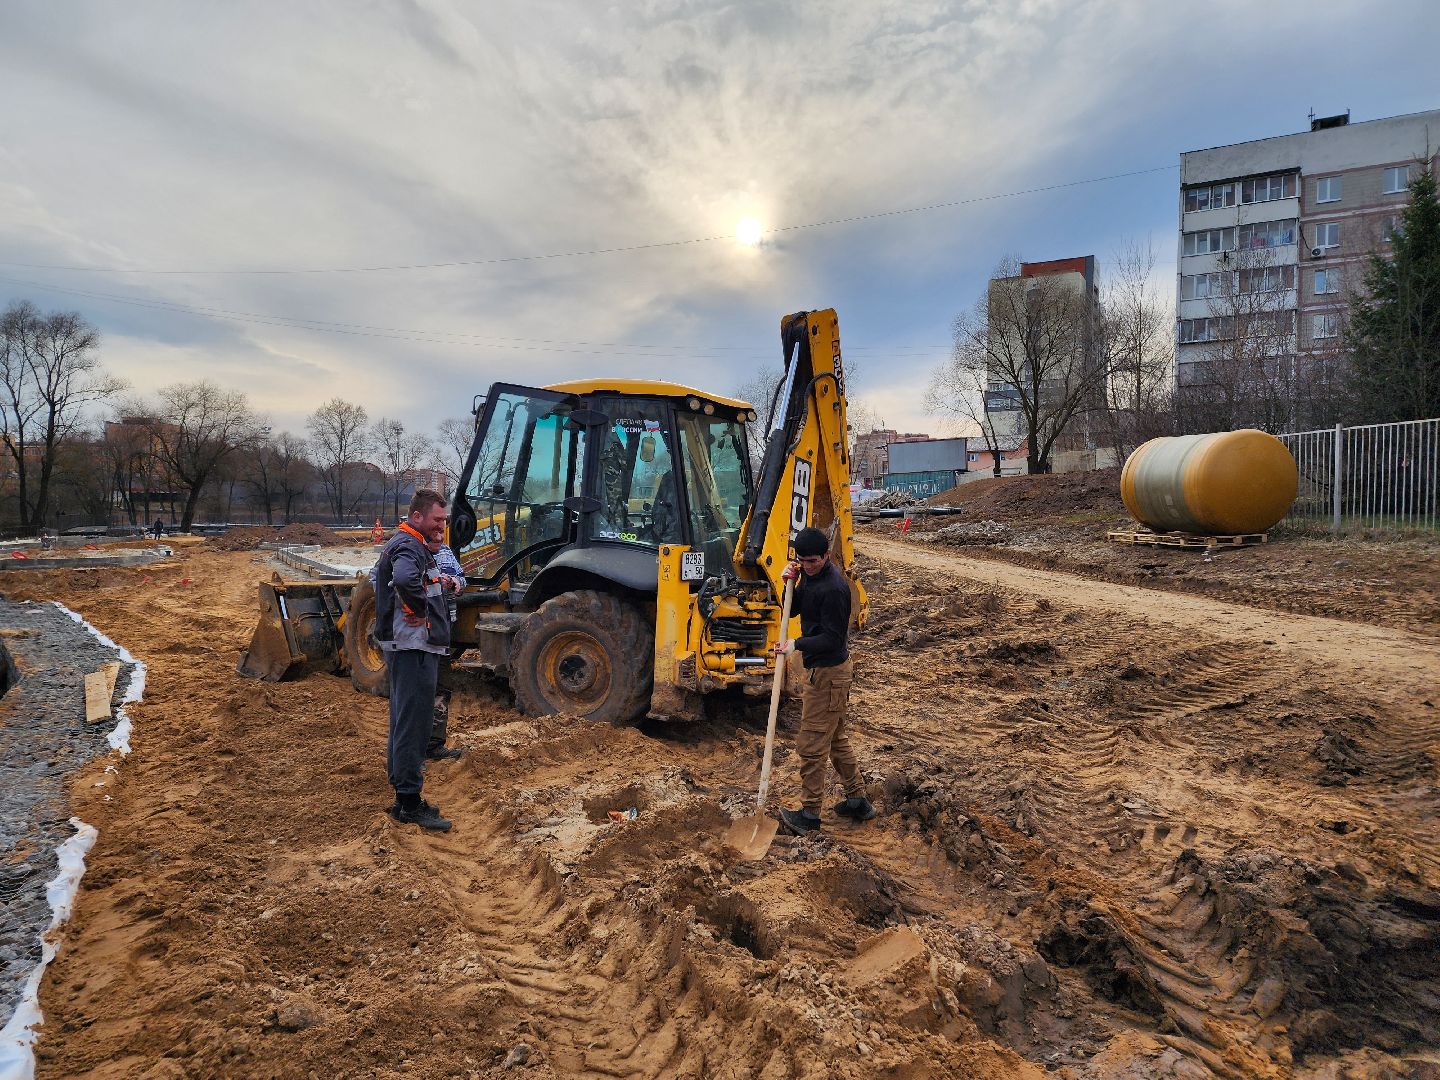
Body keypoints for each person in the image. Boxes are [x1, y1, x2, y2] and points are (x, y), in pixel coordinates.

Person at [774, 526, 875, 835]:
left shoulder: (834, 588)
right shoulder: (810, 577)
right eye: (802, 561)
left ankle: (810, 815)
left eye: (813, 561)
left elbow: (832, 638)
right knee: (835, 740)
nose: (807, 566)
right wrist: (786, 584)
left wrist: (796, 645)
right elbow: (793, 608)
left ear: (827, 557)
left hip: (830, 674)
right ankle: (858, 801)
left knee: (812, 745)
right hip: (825, 673)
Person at [373, 490, 460, 831]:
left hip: (411, 646)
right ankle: (409, 802)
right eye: (437, 519)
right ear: (418, 516)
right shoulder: (409, 545)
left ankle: (403, 793)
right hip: (413, 646)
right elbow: (407, 580)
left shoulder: (414, 544)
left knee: (404, 716)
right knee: (413, 721)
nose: (443, 525)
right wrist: (420, 611)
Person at [423, 535, 466, 762]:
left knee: (441, 687)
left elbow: (462, 578)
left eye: (442, 532)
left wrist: (455, 583)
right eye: (436, 531)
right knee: (421, 689)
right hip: (421, 631)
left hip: (444, 627)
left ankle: (434, 744)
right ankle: (413, 751)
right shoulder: (413, 552)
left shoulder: (447, 552)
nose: (440, 536)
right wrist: (437, 581)